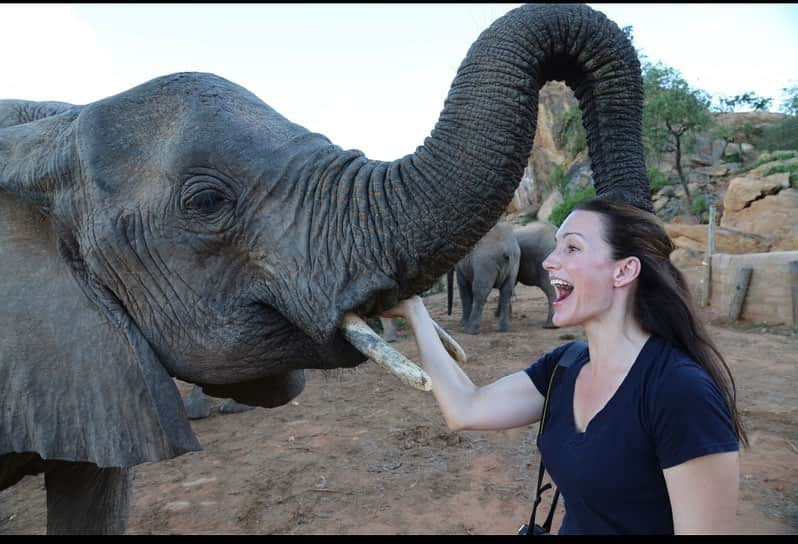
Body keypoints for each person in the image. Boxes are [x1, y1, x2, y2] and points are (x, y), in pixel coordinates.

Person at [382, 198, 746, 535]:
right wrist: (416, 312)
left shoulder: (679, 392)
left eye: (571, 247)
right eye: (555, 246)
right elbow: (466, 408)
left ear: (623, 271)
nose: (547, 262)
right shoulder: (565, 366)